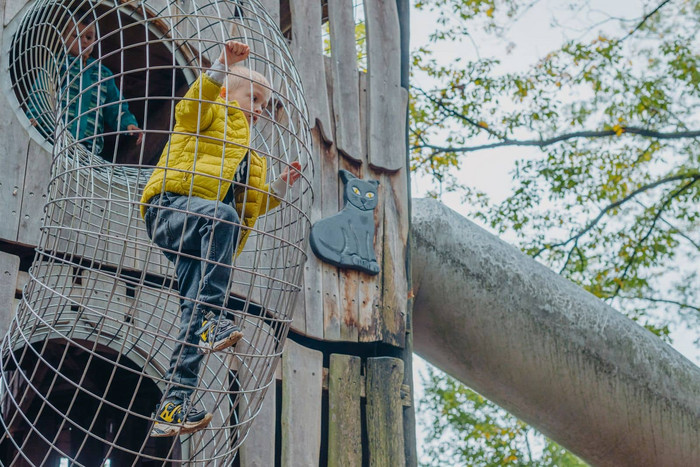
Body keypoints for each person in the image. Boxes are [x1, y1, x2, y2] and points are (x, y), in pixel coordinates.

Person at [140, 41, 301, 437]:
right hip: (170, 207)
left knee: (192, 314)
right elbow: (189, 110)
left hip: (204, 236)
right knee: (221, 216)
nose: (260, 109)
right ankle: (214, 317)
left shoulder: (254, 158)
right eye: (255, 98)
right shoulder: (211, 113)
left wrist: (280, 186)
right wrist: (221, 68)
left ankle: (173, 407)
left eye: (265, 105)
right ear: (229, 93)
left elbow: (253, 204)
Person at [26, 10, 142, 154]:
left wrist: (128, 124)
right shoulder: (56, 63)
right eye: (77, 36)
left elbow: (116, 106)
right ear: (64, 37)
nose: (84, 41)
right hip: (56, 139)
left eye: (89, 37)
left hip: (89, 148)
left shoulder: (103, 74)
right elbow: (41, 93)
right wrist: (33, 116)